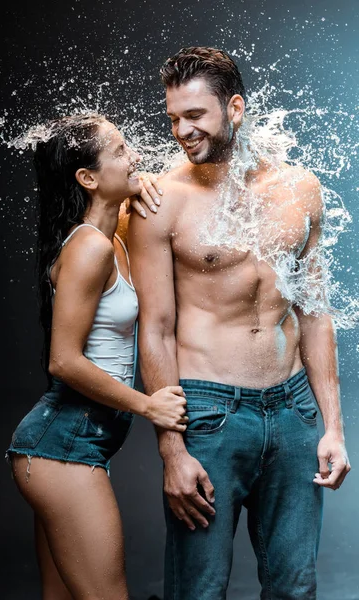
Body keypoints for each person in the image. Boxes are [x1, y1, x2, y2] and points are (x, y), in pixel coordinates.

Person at [128, 47, 351, 599]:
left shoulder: (300, 189)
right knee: (199, 589)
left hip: (294, 410)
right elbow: (154, 329)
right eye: (173, 118)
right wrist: (171, 452)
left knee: (295, 588)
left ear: (234, 107)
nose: (181, 130)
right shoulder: (163, 201)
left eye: (195, 115)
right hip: (208, 415)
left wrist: (332, 427)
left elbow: (315, 313)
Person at [6, 113, 188, 600]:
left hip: (61, 450)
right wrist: (148, 405)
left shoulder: (114, 239)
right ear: (87, 178)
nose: (137, 157)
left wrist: (137, 182)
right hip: (61, 449)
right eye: (122, 152)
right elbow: (63, 362)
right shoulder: (89, 248)